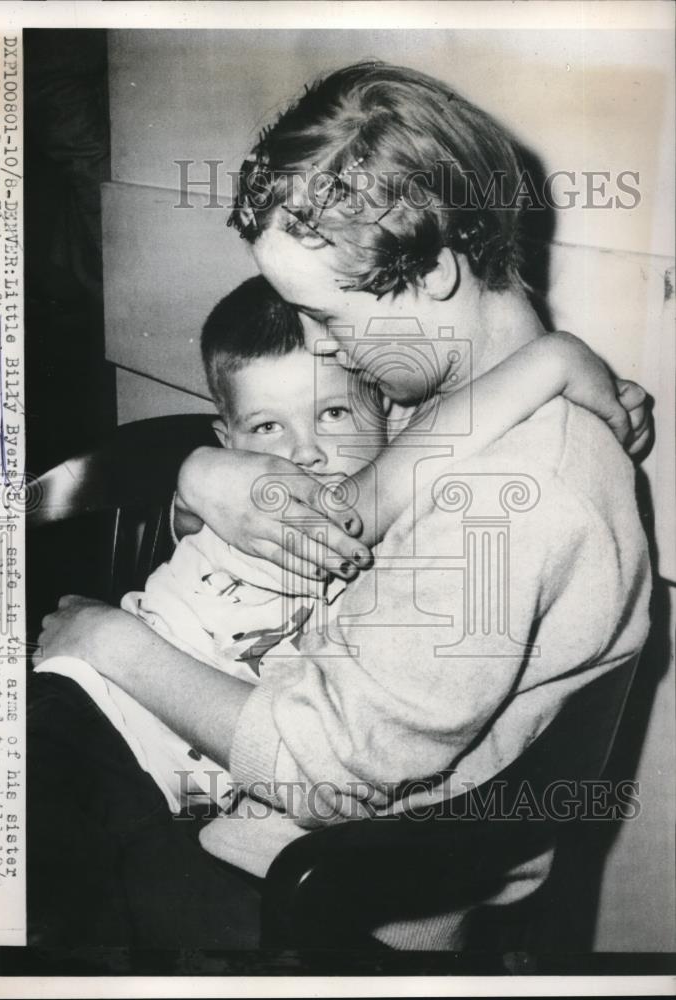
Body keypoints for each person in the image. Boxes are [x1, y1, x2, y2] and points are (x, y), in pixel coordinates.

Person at [32, 62, 652, 950]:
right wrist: (205, 470)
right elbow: (343, 490)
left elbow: (319, 777)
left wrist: (108, 640)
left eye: (326, 315)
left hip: (307, 886)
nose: (318, 346)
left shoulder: (505, 512)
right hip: (251, 799)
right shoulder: (437, 400)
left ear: (434, 273)